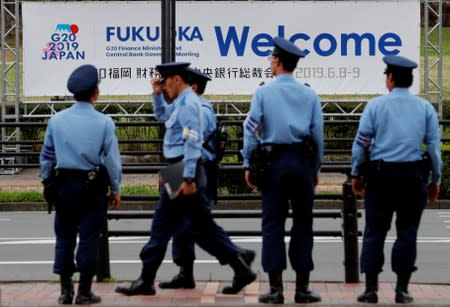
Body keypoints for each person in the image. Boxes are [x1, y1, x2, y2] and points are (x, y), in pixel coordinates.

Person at [115, 62, 256, 297]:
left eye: (166, 80)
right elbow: (162, 115)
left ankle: (146, 278)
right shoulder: (180, 103)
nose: (164, 84)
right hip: (179, 170)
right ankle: (239, 262)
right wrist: (157, 95)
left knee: (168, 226)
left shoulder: (190, 105)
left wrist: (189, 177)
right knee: (199, 228)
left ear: (177, 79)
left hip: (184, 171)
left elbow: (192, 142)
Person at [351, 55, 442, 304]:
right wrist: (436, 180)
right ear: (410, 80)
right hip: (413, 178)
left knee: (374, 232)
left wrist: (356, 174)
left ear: (390, 78)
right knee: (407, 232)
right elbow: (434, 149)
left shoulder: (375, 107)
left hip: (380, 178)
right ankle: (402, 289)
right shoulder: (424, 108)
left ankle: (371, 289)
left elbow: (361, 144)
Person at [241, 36, 324, 304]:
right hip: (301, 162)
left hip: (272, 162)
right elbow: (318, 135)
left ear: (277, 61)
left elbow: (251, 130)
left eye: (271, 59)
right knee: (303, 223)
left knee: (273, 224)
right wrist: (316, 167)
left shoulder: (263, 93)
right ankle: (302, 287)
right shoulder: (310, 94)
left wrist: (248, 162)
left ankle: (275, 288)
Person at [39, 64, 122, 305]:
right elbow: (113, 162)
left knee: (64, 237)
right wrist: (116, 189)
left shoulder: (56, 121)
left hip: (63, 185)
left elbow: (47, 157)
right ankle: (84, 291)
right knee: (89, 237)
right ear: (95, 92)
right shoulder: (105, 123)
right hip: (92, 187)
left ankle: (65, 291)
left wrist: (46, 181)